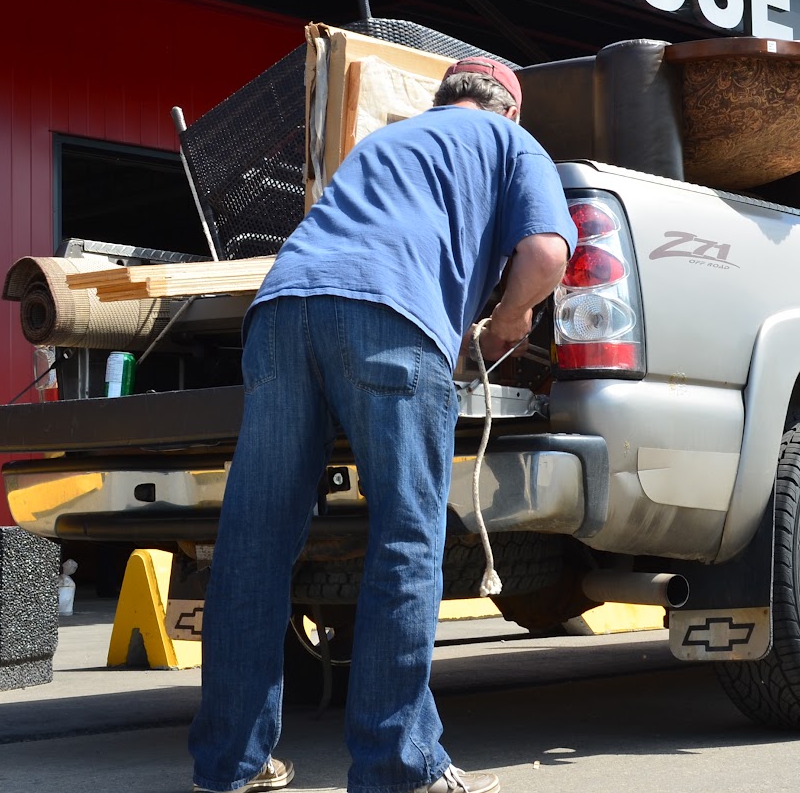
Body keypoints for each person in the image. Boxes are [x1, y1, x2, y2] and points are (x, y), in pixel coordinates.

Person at [189, 57, 576, 793]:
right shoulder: (509, 144)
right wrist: (509, 318)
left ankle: (229, 767)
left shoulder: (384, 144)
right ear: (510, 110)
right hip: (388, 322)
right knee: (406, 537)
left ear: (443, 100)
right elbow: (547, 252)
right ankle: (398, 766)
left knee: (253, 543)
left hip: (281, 311)